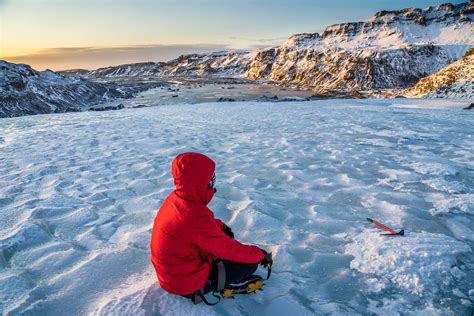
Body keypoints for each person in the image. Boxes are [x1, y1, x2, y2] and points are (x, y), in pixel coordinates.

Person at [150, 152, 272, 304]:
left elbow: (198, 227)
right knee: (249, 263)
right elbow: (229, 249)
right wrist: (260, 254)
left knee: (226, 242)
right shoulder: (194, 216)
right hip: (185, 284)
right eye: (210, 179)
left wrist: (221, 227)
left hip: (172, 275)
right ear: (200, 182)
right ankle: (219, 285)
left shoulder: (177, 200)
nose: (213, 183)